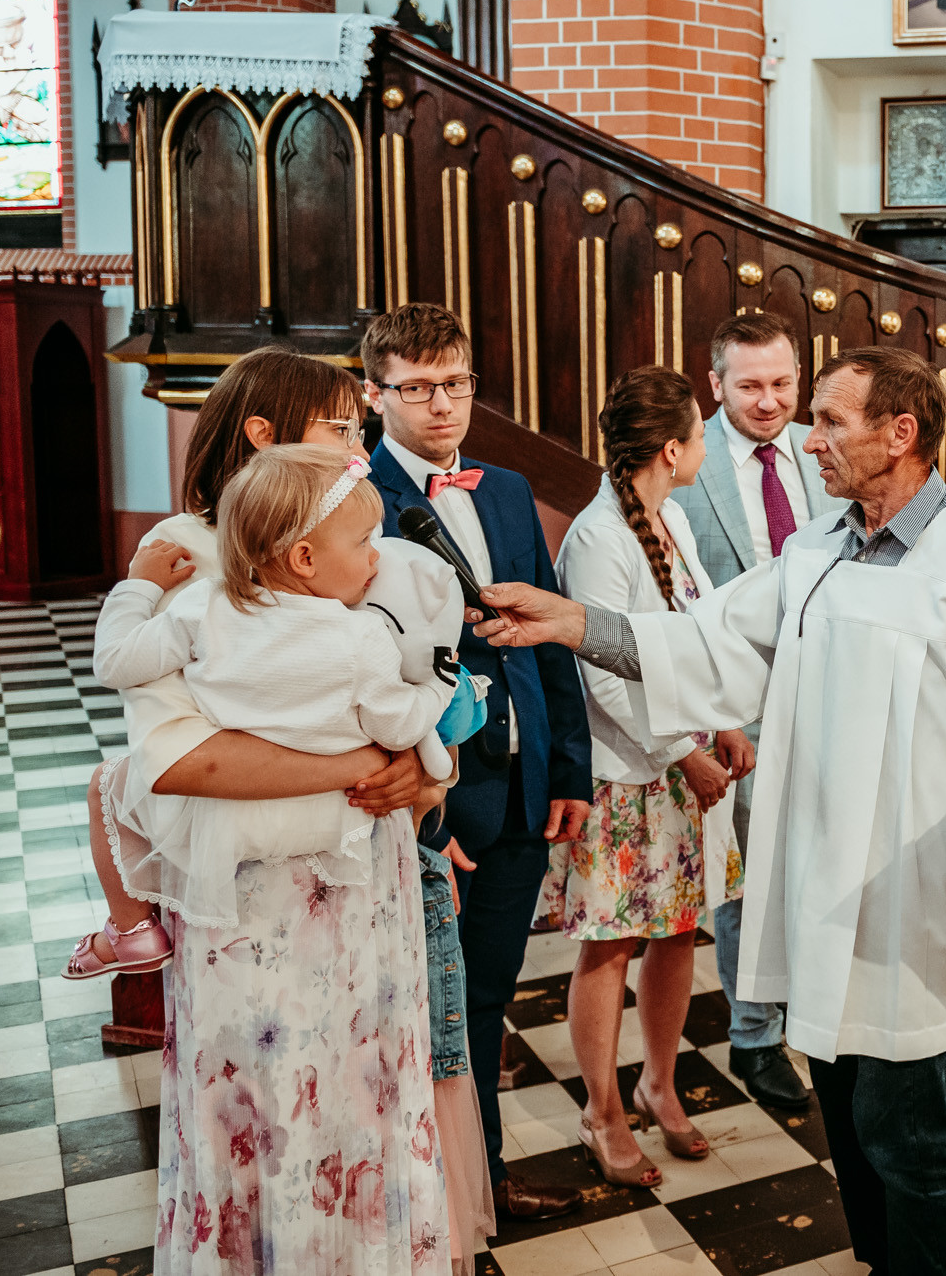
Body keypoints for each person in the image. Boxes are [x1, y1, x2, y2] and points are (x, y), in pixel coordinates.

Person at [468, 347, 946, 1276]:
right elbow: (702, 644)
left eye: (830, 420)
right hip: (820, 878)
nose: (807, 439)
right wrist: (572, 621)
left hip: (912, 887)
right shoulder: (816, 550)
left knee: (906, 1119)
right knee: (844, 1096)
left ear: (900, 433)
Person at [82, 349, 458, 1272]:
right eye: (339, 427)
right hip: (257, 901)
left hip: (368, 877)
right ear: (264, 432)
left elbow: (403, 679)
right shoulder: (183, 554)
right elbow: (180, 759)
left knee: (367, 1099)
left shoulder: (347, 533)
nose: (359, 445)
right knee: (273, 1111)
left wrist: (426, 778)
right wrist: (375, 760)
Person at [362, 303, 593, 1223]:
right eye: (417, 388)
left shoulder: (505, 487)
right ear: (375, 394)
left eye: (455, 383)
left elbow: (549, 633)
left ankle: (481, 1182)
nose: (441, 404)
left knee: (488, 997)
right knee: (425, 1008)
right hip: (437, 796)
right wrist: (425, 811)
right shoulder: (357, 499)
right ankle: (423, 1203)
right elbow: (366, 672)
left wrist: (568, 769)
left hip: (523, 784)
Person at [75, 444, 453, 937]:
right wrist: (440, 686)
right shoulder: (362, 637)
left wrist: (139, 587)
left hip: (224, 830)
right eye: (364, 541)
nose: (376, 557)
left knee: (113, 787)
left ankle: (128, 932)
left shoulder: (203, 604)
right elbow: (399, 727)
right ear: (304, 558)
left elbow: (115, 662)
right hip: (339, 828)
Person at [547, 366, 751, 1187]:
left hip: (683, 767)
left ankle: (657, 1082)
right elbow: (598, 673)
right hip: (628, 775)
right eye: (700, 434)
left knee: (676, 932)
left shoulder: (673, 519)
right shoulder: (599, 537)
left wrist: (724, 720)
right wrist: (683, 754)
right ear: (671, 449)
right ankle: (602, 1109)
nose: (706, 446)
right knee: (612, 944)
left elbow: (695, 637)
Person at [672, 313, 833, 1109]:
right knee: (750, 877)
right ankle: (754, 1033)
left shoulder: (822, 448)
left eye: (782, 383)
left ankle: (816, 1008)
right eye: (749, 386)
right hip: (736, 704)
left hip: (827, 691)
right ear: (715, 384)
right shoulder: (684, 461)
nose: (769, 402)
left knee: (821, 861)